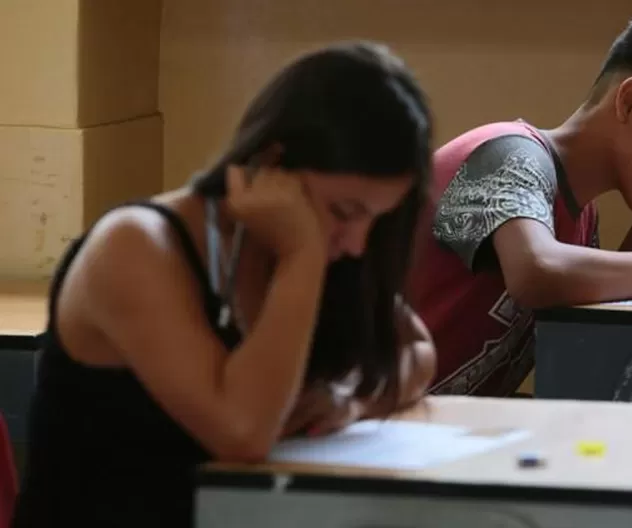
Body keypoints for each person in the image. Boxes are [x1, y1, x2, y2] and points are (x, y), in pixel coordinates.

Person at [12, 41, 436, 527]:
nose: (358, 244)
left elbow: (416, 352)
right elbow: (242, 434)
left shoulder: (325, 244)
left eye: (376, 221)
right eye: (345, 212)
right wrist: (302, 257)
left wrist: (347, 400)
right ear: (272, 163)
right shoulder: (135, 246)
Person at [408, 12, 632, 397]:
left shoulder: (583, 222)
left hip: (439, 438)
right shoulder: (508, 153)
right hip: (361, 433)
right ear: (631, 100)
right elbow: (536, 272)